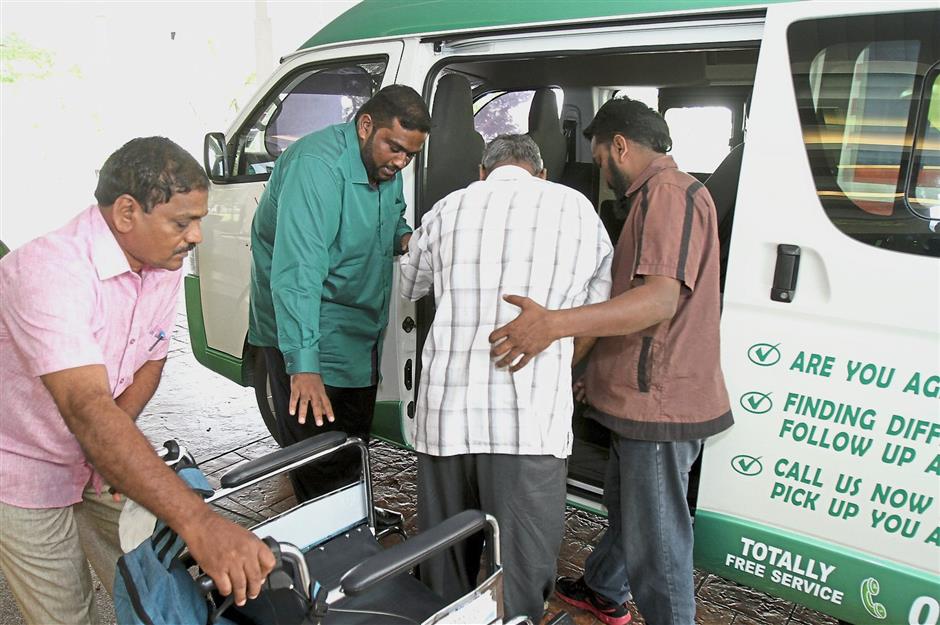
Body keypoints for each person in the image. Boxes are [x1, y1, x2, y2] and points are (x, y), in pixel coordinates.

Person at [0, 137, 275, 625]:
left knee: (154, 580)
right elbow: (87, 407)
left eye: (198, 222)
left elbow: (151, 357)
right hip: (21, 465)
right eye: (182, 222)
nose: (196, 237)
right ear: (127, 212)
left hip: (95, 449)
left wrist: (110, 451)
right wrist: (199, 523)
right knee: (66, 614)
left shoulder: (160, 260)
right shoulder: (49, 270)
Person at [489, 99, 733, 625]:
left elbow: (658, 301)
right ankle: (603, 587)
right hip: (639, 392)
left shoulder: (668, 195)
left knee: (658, 539)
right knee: (630, 510)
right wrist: (594, 373)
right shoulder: (658, 196)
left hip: (659, 403)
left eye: (601, 158)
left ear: (620, 145)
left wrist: (555, 323)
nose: (602, 170)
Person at [400, 134, 613, 621]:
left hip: (446, 421)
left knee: (443, 565)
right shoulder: (577, 209)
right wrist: (561, 364)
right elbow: (597, 311)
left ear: (482, 172)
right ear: (541, 174)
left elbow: (410, 283)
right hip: (529, 424)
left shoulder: (449, 207)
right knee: (520, 573)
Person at [248, 85, 430, 506]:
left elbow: (391, 221)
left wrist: (408, 241)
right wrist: (304, 367)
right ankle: (323, 554)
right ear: (365, 125)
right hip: (307, 329)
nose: (400, 162)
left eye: (410, 156)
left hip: (357, 331)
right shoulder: (317, 167)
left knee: (351, 444)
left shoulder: (386, 168)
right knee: (317, 457)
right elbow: (297, 276)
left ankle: (351, 532)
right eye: (395, 148)